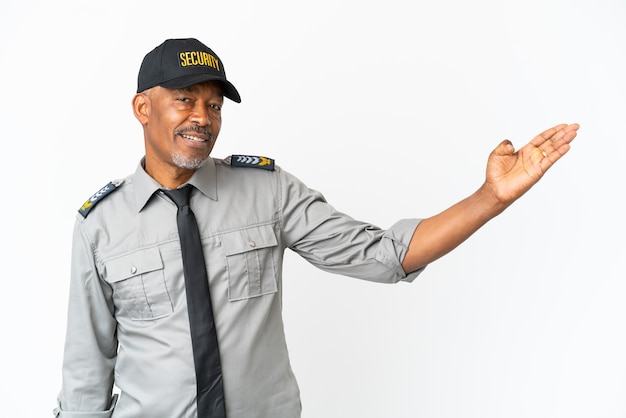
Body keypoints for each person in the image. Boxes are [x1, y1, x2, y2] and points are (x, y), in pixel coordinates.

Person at [54, 38, 579, 418]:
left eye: (213, 105)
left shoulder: (268, 191)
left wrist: (490, 198)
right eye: (185, 100)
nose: (203, 118)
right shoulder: (100, 226)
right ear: (143, 108)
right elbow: (86, 377)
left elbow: (385, 255)